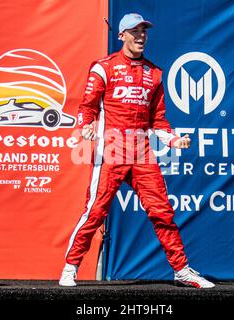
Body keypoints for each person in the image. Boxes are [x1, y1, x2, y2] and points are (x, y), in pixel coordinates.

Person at [59, 13, 215, 289]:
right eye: (134, 31)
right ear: (122, 36)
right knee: (95, 211)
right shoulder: (103, 68)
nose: (141, 36)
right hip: (112, 150)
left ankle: (181, 270)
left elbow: (159, 120)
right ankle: (70, 267)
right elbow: (87, 107)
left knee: (162, 211)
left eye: (144, 31)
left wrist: (174, 140)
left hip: (142, 152)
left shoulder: (155, 73)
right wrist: (85, 127)